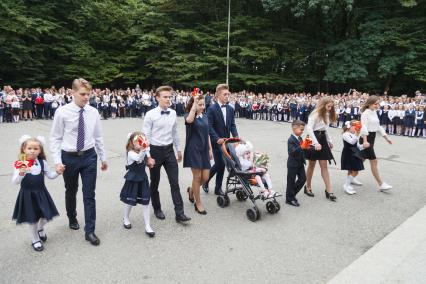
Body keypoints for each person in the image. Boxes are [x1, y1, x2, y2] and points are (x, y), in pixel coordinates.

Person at [50, 78, 108, 246]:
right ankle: (72, 217)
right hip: (69, 157)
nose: (86, 98)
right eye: (82, 94)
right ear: (72, 93)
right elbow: (55, 138)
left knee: (89, 194)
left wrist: (103, 158)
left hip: (89, 156)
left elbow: (98, 136)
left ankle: (90, 230)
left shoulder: (93, 112)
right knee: (71, 190)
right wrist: (57, 161)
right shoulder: (62, 112)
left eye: (88, 94)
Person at [142, 86, 191, 223]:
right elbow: (145, 136)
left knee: (175, 182)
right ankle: (157, 208)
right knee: (155, 183)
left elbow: (174, 132)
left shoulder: (173, 113)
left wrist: (179, 149)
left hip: (169, 151)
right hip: (155, 151)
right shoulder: (150, 114)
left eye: (170, 97)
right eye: (165, 97)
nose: (168, 99)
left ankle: (179, 213)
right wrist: (148, 156)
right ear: (157, 98)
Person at [12, 135, 60, 252]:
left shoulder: (42, 163)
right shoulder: (20, 163)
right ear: (24, 149)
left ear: (40, 150)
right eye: (29, 148)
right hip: (27, 195)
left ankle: (40, 228)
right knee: (32, 219)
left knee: (45, 216)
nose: (32, 151)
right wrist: (21, 173)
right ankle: (35, 239)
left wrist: (58, 172)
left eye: (35, 148)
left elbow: (50, 176)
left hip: (41, 193)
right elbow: (15, 181)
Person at [203, 84, 239, 195]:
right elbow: (209, 126)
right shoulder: (212, 109)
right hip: (216, 142)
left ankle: (216, 187)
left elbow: (232, 124)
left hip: (227, 142)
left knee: (222, 164)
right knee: (220, 164)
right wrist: (217, 138)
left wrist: (236, 137)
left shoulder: (230, 108)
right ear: (218, 95)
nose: (227, 96)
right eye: (225, 94)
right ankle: (208, 182)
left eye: (228, 94)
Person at [120, 132, 155, 237]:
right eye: (138, 142)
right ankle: (125, 218)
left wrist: (149, 159)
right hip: (133, 179)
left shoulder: (143, 150)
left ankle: (148, 226)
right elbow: (139, 158)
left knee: (145, 202)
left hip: (142, 178)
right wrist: (144, 150)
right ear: (132, 143)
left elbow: (148, 159)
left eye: (142, 141)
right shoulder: (131, 153)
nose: (141, 143)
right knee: (130, 201)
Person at [183, 94, 213, 215]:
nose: (202, 106)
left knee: (205, 177)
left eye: (203, 104)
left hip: (204, 149)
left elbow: (208, 134)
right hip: (193, 149)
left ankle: (191, 191)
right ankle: (198, 203)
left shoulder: (205, 116)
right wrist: (194, 106)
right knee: (197, 177)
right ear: (194, 104)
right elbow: (189, 120)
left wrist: (210, 149)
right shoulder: (189, 115)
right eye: (199, 104)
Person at [305, 97, 337, 201]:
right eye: (328, 106)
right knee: (311, 165)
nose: (330, 108)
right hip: (313, 138)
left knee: (324, 165)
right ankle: (308, 186)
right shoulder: (315, 113)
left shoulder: (327, 114)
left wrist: (330, 141)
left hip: (322, 138)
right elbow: (309, 129)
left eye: (331, 106)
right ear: (323, 105)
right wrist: (315, 143)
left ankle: (329, 190)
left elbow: (325, 129)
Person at [360, 96, 393, 191]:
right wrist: (365, 141)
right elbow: (364, 128)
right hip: (366, 138)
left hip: (372, 138)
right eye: (375, 104)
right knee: (374, 161)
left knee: (361, 160)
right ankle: (381, 184)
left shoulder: (374, 112)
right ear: (369, 104)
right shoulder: (365, 114)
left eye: (378, 104)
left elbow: (378, 126)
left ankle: (350, 178)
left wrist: (386, 138)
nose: (377, 105)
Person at [341, 121, 368, 195]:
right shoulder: (345, 134)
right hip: (349, 154)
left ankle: (348, 184)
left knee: (351, 170)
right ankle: (346, 185)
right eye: (354, 127)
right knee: (355, 171)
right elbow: (352, 142)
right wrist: (357, 134)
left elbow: (358, 146)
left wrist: (364, 146)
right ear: (349, 127)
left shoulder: (354, 134)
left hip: (354, 153)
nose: (356, 129)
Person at [286, 120, 307, 207]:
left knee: (303, 179)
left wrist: (308, 147)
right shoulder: (291, 139)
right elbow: (292, 152)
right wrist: (301, 147)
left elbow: (302, 150)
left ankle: (290, 194)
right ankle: (289, 198)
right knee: (291, 181)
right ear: (294, 128)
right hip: (292, 164)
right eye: (301, 129)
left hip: (300, 163)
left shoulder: (300, 138)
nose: (302, 131)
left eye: (303, 130)